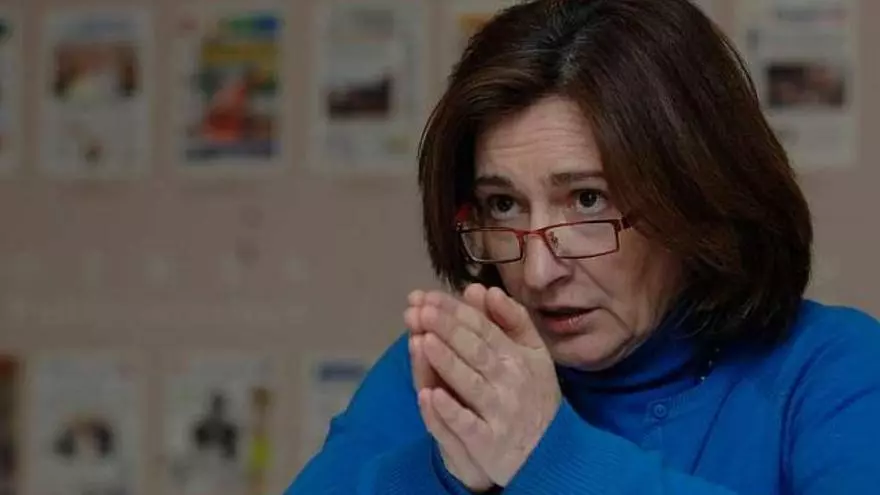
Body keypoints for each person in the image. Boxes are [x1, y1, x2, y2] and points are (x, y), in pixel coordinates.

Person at [286, 0, 880, 493]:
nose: (538, 272)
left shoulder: (834, 367)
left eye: (588, 200)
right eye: (504, 205)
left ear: (699, 196)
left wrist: (549, 457)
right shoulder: (463, 368)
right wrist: (446, 474)